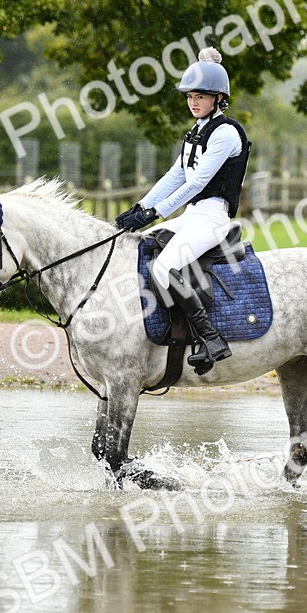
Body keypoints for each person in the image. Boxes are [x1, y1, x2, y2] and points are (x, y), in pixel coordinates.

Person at [115, 47, 251, 375]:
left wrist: (155, 213)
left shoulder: (225, 133)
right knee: (141, 248)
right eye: (190, 95)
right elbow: (175, 175)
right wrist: (141, 206)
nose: (193, 101)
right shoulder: (196, 131)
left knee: (164, 269)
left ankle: (211, 338)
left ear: (219, 98)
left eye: (201, 96)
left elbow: (197, 183)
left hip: (213, 216)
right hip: (192, 215)